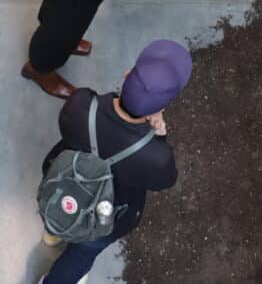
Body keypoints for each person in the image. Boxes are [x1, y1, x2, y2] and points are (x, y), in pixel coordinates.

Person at [38, 40, 192, 284]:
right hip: (106, 212)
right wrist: (160, 138)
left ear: (127, 74)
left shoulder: (80, 104)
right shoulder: (156, 157)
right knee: (82, 253)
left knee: (63, 204)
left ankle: (53, 234)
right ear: (162, 107)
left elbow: (69, 127)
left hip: (62, 183)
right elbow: (166, 180)